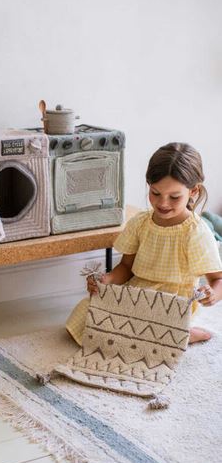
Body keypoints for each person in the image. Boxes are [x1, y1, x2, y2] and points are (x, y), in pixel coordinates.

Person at [66, 142, 222, 345]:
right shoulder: (140, 223)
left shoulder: (195, 232)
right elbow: (126, 268)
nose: (163, 203)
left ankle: (183, 334)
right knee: (84, 312)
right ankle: (171, 337)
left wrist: (213, 296)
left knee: (148, 323)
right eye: (155, 193)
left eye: (174, 197)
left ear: (193, 192)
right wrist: (107, 280)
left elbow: (217, 279)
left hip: (170, 305)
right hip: (135, 294)